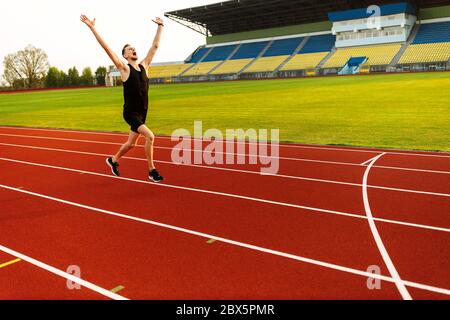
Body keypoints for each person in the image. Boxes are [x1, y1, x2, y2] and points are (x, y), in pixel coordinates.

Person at [80, 14, 164, 182]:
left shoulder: (145, 66)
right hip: (131, 113)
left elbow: (155, 46)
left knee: (132, 143)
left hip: (142, 112)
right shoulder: (124, 69)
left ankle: (113, 160)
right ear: (125, 56)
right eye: (129, 49)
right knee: (150, 137)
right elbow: (107, 49)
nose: (133, 50)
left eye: (134, 48)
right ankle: (151, 170)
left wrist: (160, 27)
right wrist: (92, 28)